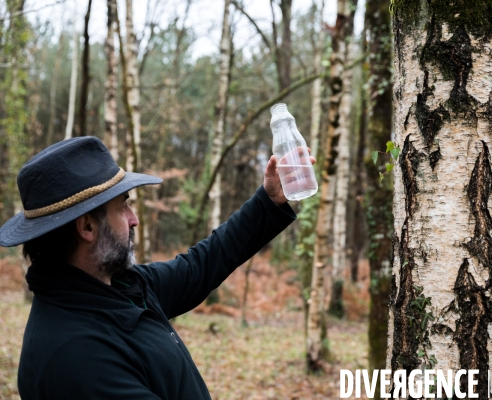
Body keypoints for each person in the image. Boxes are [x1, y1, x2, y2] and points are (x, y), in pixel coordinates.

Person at [0, 136, 314, 399]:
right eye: (123, 206)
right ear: (87, 227)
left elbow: (199, 266)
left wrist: (269, 200)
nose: (134, 218)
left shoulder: (117, 286)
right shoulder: (74, 356)